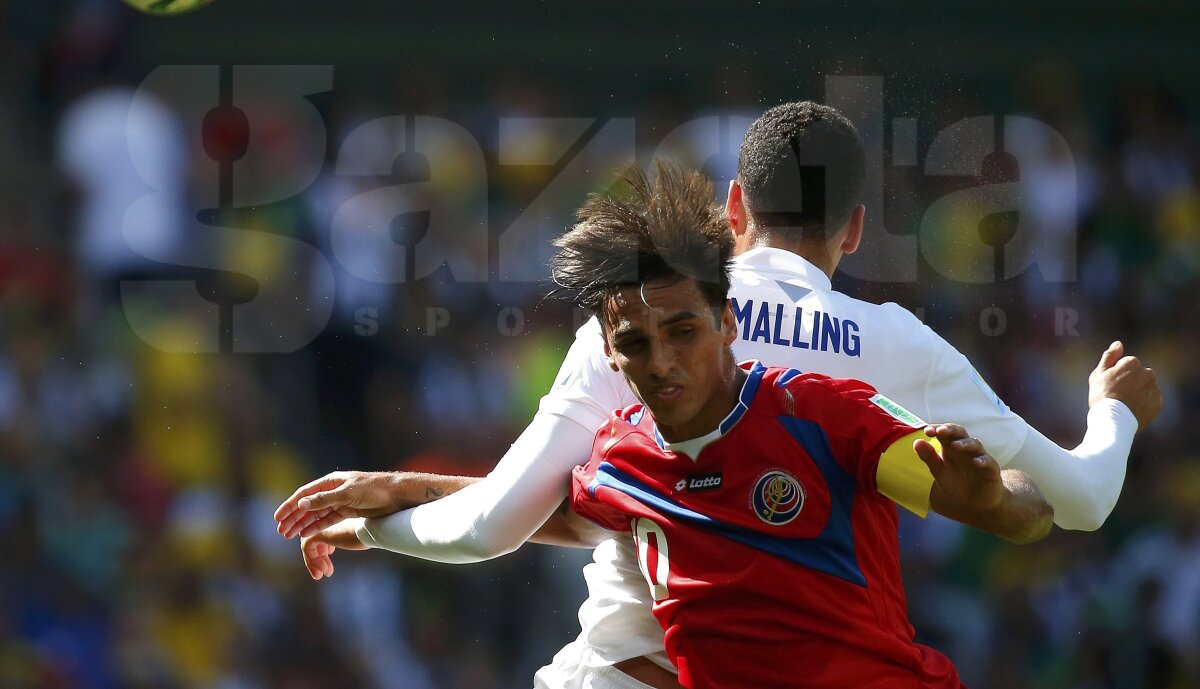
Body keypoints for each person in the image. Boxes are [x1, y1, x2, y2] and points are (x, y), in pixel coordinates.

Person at [276, 102, 1161, 689]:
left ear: (733, 208)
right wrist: (1111, 408)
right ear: (854, 228)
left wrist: (386, 508)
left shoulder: (632, 322)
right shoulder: (895, 347)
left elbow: (499, 521)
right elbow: (1079, 499)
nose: (665, 362)